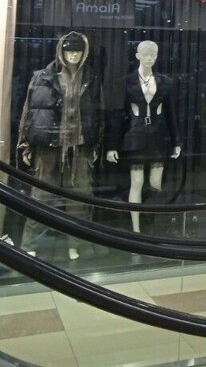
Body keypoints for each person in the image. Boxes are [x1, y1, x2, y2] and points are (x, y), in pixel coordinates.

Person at [17, 31, 104, 260]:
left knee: (80, 199)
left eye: (78, 51)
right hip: (48, 146)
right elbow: (28, 111)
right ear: (61, 52)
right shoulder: (42, 77)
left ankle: (77, 244)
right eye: (69, 51)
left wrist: (97, 145)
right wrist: (25, 144)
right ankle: (30, 244)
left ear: (84, 53)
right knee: (41, 197)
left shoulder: (91, 79)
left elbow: (99, 114)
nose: (73, 55)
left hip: (80, 146)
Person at [106, 40, 180, 232]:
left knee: (155, 183)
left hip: (158, 137)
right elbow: (117, 116)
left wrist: (176, 141)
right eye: (146, 54)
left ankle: (153, 226)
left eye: (153, 55)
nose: (149, 58)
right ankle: (136, 229)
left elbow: (171, 114)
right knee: (137, 183)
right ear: (137, 56)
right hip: (135, 136)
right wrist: (112, 146)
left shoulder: (166, 82)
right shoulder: (126, 82)